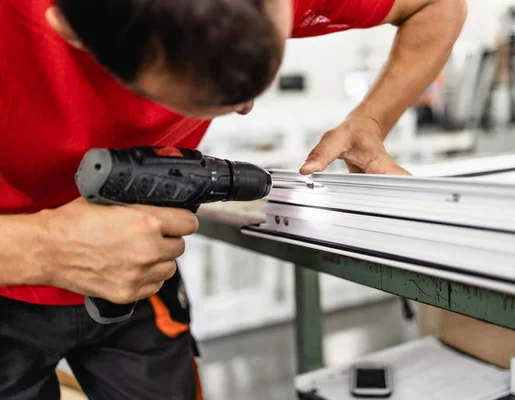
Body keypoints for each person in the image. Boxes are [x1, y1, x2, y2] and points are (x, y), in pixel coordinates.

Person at [0, 0, 467, 398]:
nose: (243, 107)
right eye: (208, 94)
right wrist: (42, 246)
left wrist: (372, 119)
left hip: (141, 269)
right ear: (67, 27)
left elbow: (437, 5)